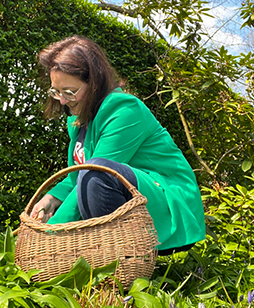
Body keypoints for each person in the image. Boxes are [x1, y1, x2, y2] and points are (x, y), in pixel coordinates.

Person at [29, 35, 205, 254]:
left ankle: (120, 261)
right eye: (56, 91)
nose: (62, 100)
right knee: (90, 174)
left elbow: (95, 171)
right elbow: (76, 175)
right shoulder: (78, 120)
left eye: (69, 92)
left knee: (96, 174)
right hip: (133, 194)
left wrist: (49, 238)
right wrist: (51, 198)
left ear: (93, 84)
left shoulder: (124, 110)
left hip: (171, 203)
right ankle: (103, 261)